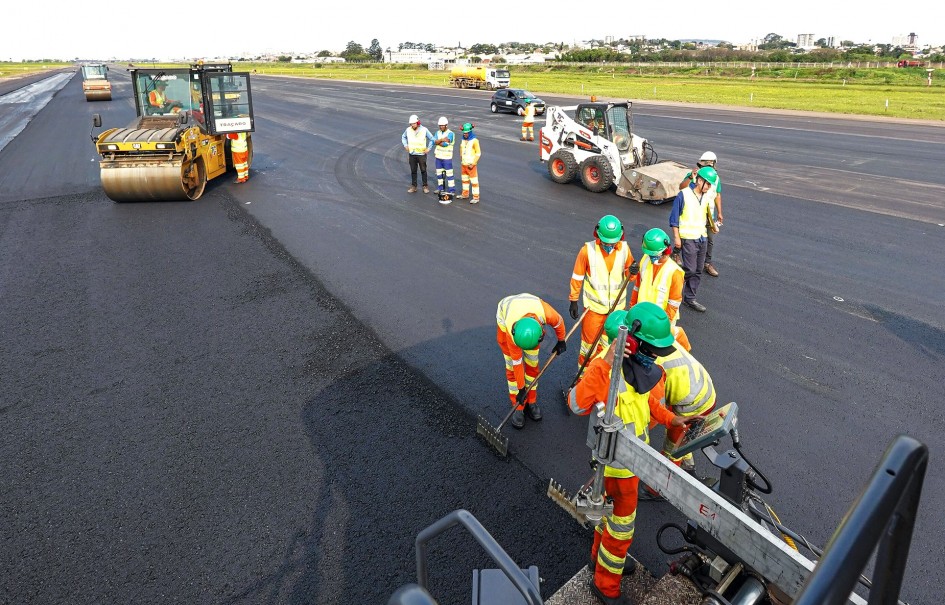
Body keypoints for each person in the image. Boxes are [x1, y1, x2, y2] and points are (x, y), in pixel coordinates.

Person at [570, 303, 695, 605]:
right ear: (632, 342)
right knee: (621, 530)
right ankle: (606, 585)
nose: (654, 358)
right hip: (615, 469)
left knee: (608, 519)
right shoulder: (605, 371)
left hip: (631, 464)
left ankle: (600, 559)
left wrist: (670, 419)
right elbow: (575, 403)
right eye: (651, 351)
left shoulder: (640, 372)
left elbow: (647, 406)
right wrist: (604, 365)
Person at [569, 215, 637, 370]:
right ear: (597, 235)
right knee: (588, 349)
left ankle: (602, 380)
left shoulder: (625, 250)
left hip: (616, 313)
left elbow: (630, 276)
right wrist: (573, 300)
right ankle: (583, 380)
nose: (609, 246)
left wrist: (632, 271)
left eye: (612, 243)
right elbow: (577, 277)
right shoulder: (587, 251)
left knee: (608, 348)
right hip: (594, 311)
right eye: (606, 242)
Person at [496, 293, 567, 429]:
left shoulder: (546, 313)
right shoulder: (512, 333)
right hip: (506, 317)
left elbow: (559, 322)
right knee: (512, 367)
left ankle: (532, 401)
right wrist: (521, 390)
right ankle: (518, 407)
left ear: (541, 334)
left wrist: (561, 340)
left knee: (532, 365)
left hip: (530, 316)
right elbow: (517, 364)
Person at [630, 228, 690, 351]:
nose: (651, 258)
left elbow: (674, 302)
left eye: (654, 255)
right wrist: (632, 308)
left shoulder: (675, 272)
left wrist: (663, 326)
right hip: (643, 316)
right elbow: (637, 286)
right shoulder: (645, 260)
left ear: (665, 251)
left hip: (660, 322)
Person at [669, 166, 718, 313]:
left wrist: (713, 225)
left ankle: (690, 298)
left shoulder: (706, 197)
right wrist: (677, 237)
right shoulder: (683, 195)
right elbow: (674, 218)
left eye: (710, 185)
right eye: (707, 184)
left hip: (701, 237)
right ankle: (671, 286)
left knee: (697, 270)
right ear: (699, 180)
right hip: (687, 237)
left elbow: (705, 215)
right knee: (689, 269)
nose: (709, 187)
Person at [679, 152, 723, 277]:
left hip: (708, 215)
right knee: (687, 238)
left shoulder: (715, 178)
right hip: (692, 214)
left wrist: (719, 212)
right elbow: (681, 187)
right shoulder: (694, 176)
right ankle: (677, 253)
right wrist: (690, 177)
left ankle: (707, 263)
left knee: (709, 240)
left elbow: (717, 195)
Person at [401, 114, 434, 194]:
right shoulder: (408, 130)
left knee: (423, 170)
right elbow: (403, 137)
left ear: (418, 122)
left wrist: (428, 148)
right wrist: (405, 145)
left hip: (421, 154)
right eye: (411, 124)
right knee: (413, 170)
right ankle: (414, 186)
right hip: (412, 153)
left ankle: (425, 186)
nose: (412, 125)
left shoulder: (424, 130)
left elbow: (432, 139)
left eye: (414, 124)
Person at [432, 116, 456, 200]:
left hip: (447, 158)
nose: (441, 127)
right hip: (438, 157)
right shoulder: (437, 133)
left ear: (446, 125)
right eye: (440, 125)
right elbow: (433, 141)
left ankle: (451, 190)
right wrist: (441, 140)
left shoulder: (451, 133)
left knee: (449, 175)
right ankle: (440, 188)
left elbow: (446, 144)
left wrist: (438, 141)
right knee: (439, 175)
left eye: (443, 125)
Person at [457, 122, 481, 204]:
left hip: (471, 165)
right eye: (464, 133)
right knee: (464, 180)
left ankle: (476, 197)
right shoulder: (463, 140)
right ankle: (465, 194)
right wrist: (461, 158)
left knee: (474, 181)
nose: (465, 134)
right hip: (464, 164)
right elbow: (461, 149)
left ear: (470, 132)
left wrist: (473, 163)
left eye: (466, 133)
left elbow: (478, 153)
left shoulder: (475, 141)